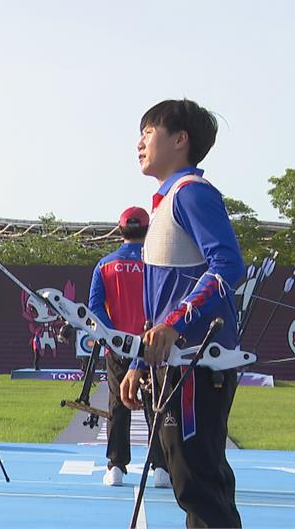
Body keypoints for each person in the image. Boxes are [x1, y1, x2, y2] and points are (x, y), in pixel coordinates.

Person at [120, 99, 245, 527]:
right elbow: (159, 302)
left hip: (197, 364)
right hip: (175, 364)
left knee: (198, 484)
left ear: (179, 139)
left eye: (148, 131)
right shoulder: (166, 202)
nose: (139, 142)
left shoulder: (191, 193)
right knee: (192, 483)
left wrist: (174, 325)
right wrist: (140, 361)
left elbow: (228, 265)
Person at [89, 206, 170, 488]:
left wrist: (113, 336)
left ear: (120, 229)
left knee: (117, 404)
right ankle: (161, 468)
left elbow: (95, 308)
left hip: (118, 348)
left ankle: (116, 467)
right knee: (155, 405)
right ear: (147, 230)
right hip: (152, 346)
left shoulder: (104, 265)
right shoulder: (157, 264)